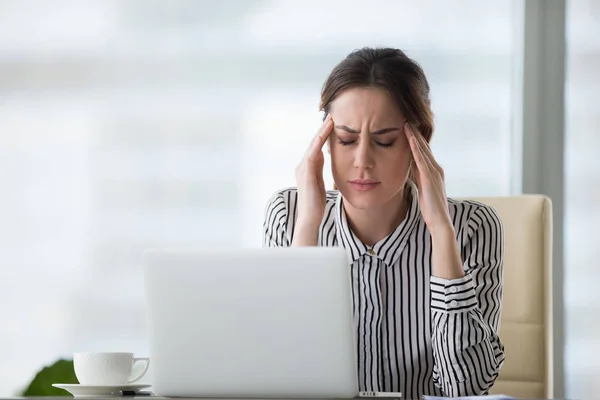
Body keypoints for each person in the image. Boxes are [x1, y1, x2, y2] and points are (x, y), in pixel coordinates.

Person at [262, 47, 505, 399]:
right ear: (325, 143)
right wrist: (308, 228)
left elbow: (465, 388)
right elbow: (281, 375)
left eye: (385, 141)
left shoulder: (472, 227)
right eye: (345, 140)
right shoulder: (289, 215)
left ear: (418, 141)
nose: (362, 161)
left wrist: (441, 231)